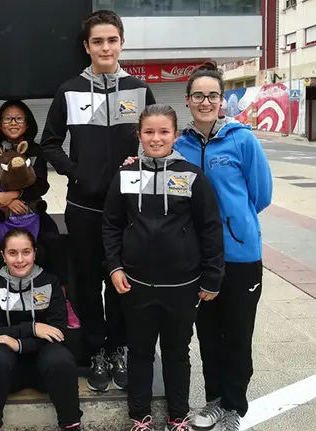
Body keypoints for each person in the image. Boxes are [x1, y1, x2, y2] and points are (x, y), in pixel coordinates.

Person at [126, 62, 273, 430]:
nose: (205, 101)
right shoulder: (182, 143)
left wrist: (232, 225)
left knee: (237, 335)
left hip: (240, 257)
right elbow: (156, 165)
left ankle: (233, 407)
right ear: (188, 101)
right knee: (208, 335)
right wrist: (134, 162)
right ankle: (212, 402)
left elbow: (261, 195)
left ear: (222, 100)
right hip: (198, 261)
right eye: (197, 95)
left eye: (212, 95)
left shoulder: (243, 140)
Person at [40, 9, 156, 391]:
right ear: (86, 46)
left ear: (121, 42)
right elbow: (49, 143)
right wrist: (75, 171)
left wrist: (140, 161)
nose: (105, 47)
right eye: (97, 41)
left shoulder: (140, 90)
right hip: (84, 207)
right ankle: (95, 352)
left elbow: (155, 140)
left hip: (128, 210)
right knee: (87, 283)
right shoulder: (69, 90)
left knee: (122, 283)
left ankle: (119, 347)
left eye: (112, 40)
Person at [103, 104, 224, 431]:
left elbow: (210, 228)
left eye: (163, 132)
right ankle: (139, 417)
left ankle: (177, 416)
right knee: (140, 351)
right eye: (149, 132)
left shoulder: (191, 175)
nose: (156, 139)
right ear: (139, 135)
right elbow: (111, 225)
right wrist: (114, 266)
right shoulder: (126, 174)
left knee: (176, 353)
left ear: (174, 135)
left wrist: (212, 277)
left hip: (182, 286)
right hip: (135, 283)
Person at [0, 100, 79, 327]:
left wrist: (17, 196)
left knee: (55, 240)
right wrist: (1, 201)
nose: (13, 123)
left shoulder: (37, 151)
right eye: (7, 118)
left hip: (32, 209)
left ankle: (63, 297)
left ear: (27, 124)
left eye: (19, 118)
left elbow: (42, 185)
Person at [0, 228, 83, 431]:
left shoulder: (50, 282)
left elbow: (58, 332)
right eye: (12, 253)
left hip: (45, 370)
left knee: (61, 358)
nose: (20, 259)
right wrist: (33, 328)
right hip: (8, 373)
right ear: (3, 255)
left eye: (26, 252)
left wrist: (18, 342)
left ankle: (71, 424)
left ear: (35, 252)